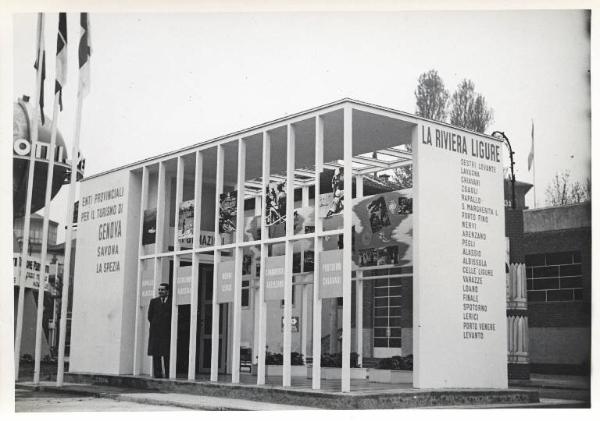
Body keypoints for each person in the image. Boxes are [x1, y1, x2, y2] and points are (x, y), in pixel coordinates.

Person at [148, 283, 172, 378]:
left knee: (167, 354)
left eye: (162, 290)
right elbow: (150, 316)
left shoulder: (172, 301)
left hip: (167, 332)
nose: (160, 292)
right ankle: (158, 374)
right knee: (156, 353)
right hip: (156, 332)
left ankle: (168, 374)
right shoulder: (154, 302)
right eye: (159, 290)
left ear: (167, 291)